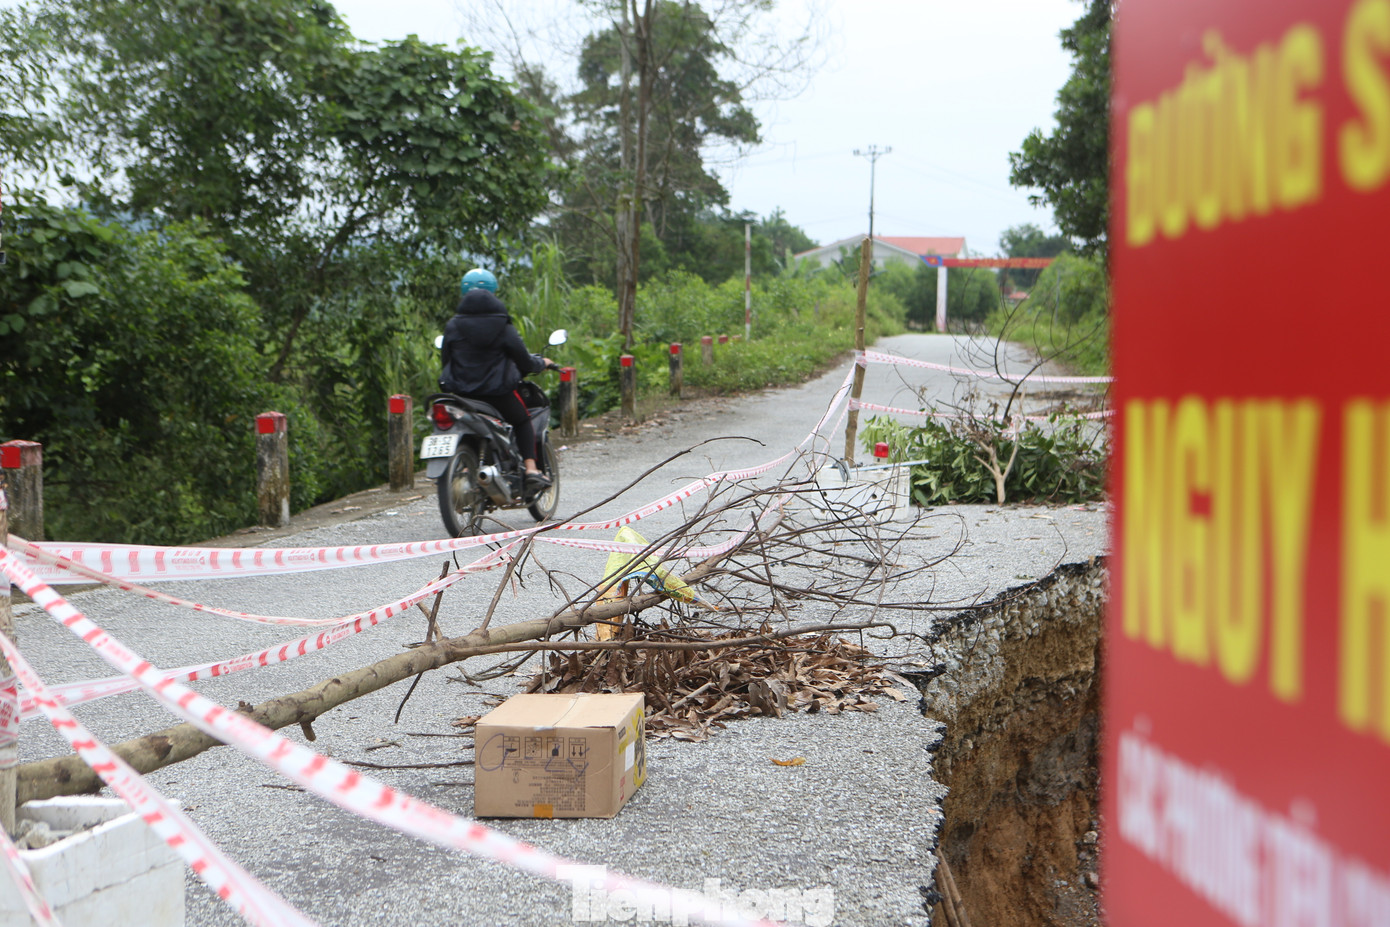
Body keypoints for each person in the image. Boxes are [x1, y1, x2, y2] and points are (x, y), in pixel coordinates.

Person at [439, 268, 553, 492]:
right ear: (494, 293)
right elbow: (524, 361)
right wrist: (543, 363)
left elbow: (446, 362)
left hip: (461, 396)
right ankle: (531, 469)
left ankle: (466, 467)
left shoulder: (453, 326)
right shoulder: (503, 326)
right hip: (497, 395)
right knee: (522, 420)